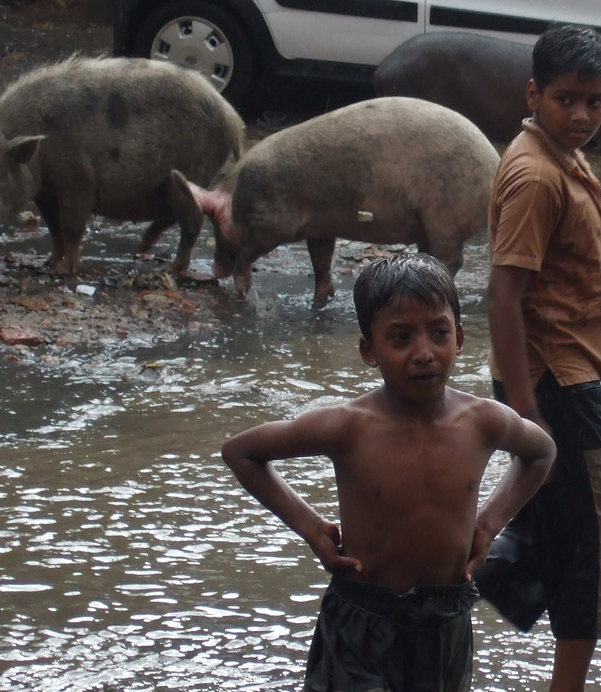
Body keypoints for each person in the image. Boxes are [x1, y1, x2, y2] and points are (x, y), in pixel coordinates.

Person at [222, 252, 556, 692]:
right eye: (400, 337)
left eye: (438, 333)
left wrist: (490, 524)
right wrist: (311, 529)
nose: (423, 353)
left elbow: (542, 453)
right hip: (364, 617)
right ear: (369, 350)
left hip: (445, 615)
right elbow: (242, 453)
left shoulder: (483, 421)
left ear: (458, 337)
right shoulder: (348, 426)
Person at [474, 24, 601, 692]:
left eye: (595, 102)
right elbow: (502, 296)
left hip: (555, 379)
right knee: (595, 551)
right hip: (554, 390)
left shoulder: (559, 156)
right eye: (567, 100)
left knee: (551, 532)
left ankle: (445, 578)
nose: (582, 115)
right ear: (534, 94)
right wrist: (526, 412)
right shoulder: (538, 175)